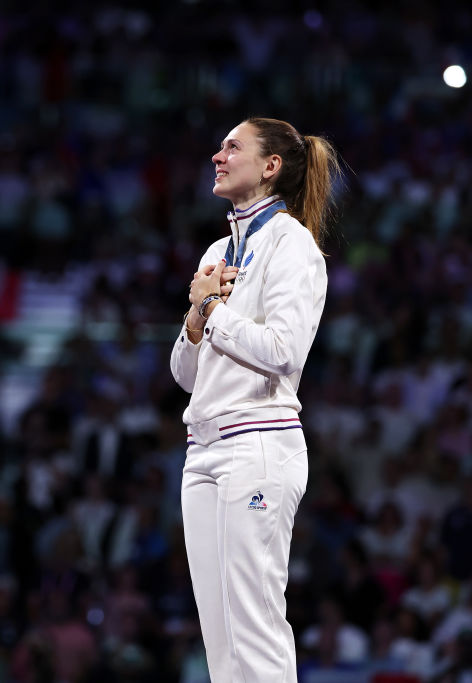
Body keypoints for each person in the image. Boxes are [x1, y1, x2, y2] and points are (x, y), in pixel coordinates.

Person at [170, 117, 341, 682]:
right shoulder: (218, 250)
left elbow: (284, 352)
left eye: (232, 147)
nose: (217, 156)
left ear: (271, 166)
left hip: (259, 444)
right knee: (220, 639)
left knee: (256, 627)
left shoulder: (294, 247)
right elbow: (184, 373)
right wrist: (197, 316)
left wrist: (214, 312)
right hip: (203, 450)